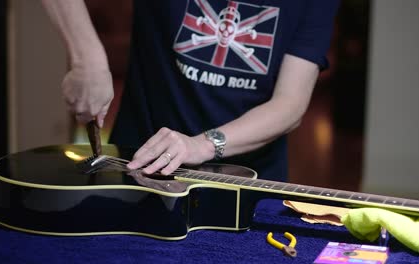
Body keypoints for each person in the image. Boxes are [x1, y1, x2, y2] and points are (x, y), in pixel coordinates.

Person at [41, 0, 339, 182]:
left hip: (250, 183)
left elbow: (290, 104)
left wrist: (202, 146)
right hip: (140, 168)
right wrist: (86, 58)